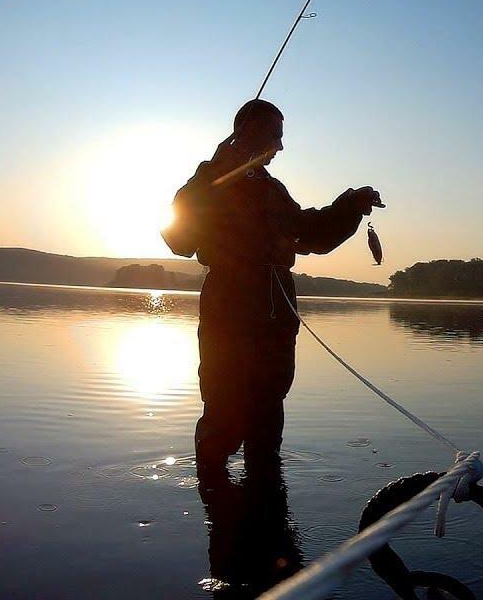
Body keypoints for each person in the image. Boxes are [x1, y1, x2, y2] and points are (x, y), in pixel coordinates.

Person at [162, 98, 381, 471]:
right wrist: (212, 172)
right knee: (222, 412)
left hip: (276, 315)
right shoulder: (210, 182)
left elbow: (311, 233)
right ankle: (218, 507)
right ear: (247, 132)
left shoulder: (274, 190)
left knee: (267, 418)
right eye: (274, 136)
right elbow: (179, 240)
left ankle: (266, 504)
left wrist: (350, 205)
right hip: (228, 310)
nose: (280, 146)